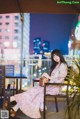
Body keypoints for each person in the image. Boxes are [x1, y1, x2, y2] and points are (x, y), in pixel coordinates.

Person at [10, 49, 67, 118]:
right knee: (34, 91)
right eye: (54, 57)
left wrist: (49, 77)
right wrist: (46, 77)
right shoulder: (57, 65)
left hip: (55, 87)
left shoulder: (63, 65)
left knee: (35, 91)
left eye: (56, 55)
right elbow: (53, 78)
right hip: (50, 86)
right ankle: (16, 107)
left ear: (60, 55)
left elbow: (60, 78)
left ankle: (14, 99)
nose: (55, 58)